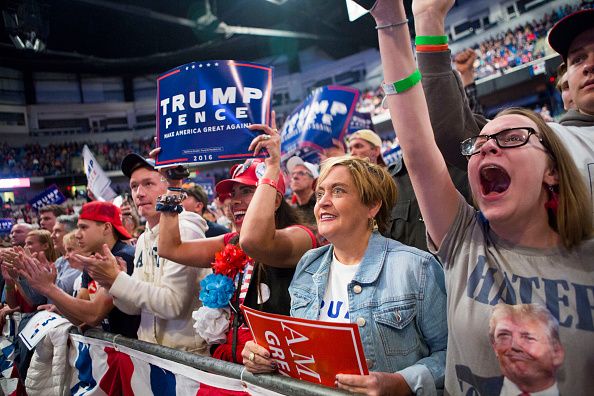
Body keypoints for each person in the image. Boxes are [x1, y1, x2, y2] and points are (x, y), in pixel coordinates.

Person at [369, 1, 594, 395]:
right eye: (481, 142)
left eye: (511, 139)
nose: (488, 148)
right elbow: (421, 149)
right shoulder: (464, 242)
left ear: (554, 169)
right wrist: (391, 19)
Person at [242, 156, 447, 395]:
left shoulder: (415, 267)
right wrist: (264, 356)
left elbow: (451, 353)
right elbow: (298, 352)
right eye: (319, 194)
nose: (323, 203)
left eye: (337, 191)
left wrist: (402, 382)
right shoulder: (309, 265)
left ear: (372, 206)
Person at [157, 114, 316, 362]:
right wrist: (174, 186)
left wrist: (273, 165)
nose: (235, 200)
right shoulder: (232, 241)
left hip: (286, 369)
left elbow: (256, 242)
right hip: (239, 366)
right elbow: (169, 248)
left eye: (246, 190)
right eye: (233, 193)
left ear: (275, 199)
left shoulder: (300, 236)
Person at [77, 154, 209, 353]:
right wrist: (113, 283)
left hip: (186, 360)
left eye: (148, 184)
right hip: (152, 356)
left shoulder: (186, 230)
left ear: (169, 186)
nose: (138, 193)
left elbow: (172, 305)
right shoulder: (144, 239)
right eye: (134, 186)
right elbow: (134, 308)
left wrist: (117, 281)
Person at [18, 201, 140, 338]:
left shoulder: (124, 257)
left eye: (83, 227)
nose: (77, 234)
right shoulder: (92, 260)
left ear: (106, 228)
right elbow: (79, 318)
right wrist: (54, 297)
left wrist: (49, 288)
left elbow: (94, 314)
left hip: (134, 353)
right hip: (112, 350)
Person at [489, 304, 564, 396]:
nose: (514, 346)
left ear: (556, 352)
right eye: (504, 336)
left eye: (528, 338)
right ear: (495, 347)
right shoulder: (472, 387)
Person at [286, 156, 319, 226]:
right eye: (293, 174)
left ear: (314, 180)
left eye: (301, 173)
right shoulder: (289, 209)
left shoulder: (321, 205)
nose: (295, 177)